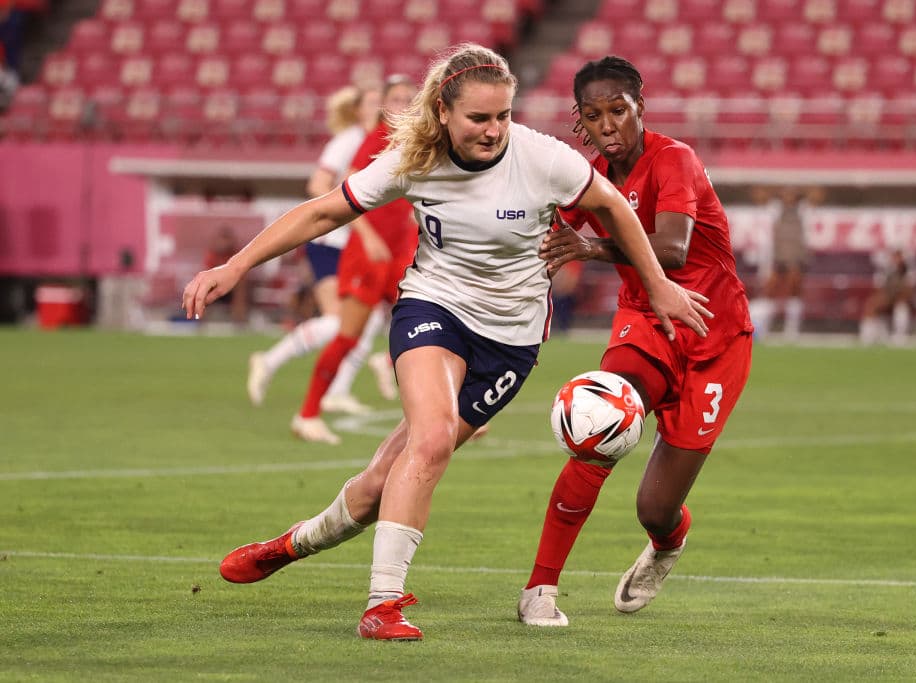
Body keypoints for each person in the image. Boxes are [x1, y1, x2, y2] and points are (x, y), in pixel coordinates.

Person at [181, 43, 712, 642]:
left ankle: (291, 543)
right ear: (443, 112)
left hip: (511, 343)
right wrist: (238, 264)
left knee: (379, 487)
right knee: (431, 442)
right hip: (434, 308)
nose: (494, 131)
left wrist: (658, 284)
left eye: (503, 116)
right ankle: (384, 605)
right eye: (478, 118)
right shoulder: (413, 160)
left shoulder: (543, 159)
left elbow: (612, 204)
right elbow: (323, 214)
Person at [517, 56, 753, 627]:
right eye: (593, 115)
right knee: (598, 423)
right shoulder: (587, 177)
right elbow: (544, 227)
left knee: (655, 507)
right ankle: (539, 589)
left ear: (639, 106)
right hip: (646, 323)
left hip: (714, 336)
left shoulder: (674, 160)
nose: (608, 125)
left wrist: (589, 249)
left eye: (618, 110)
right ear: (580, 121)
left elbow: (670, 251)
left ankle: (667, 542)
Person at [247, 84, 396, 415]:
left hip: (356, 245)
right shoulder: (349, 141)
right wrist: (347, 213)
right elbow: (317, 184)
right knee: (341, 321)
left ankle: (337, 389)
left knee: (367, 320)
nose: (379, 108)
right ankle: (270, 361)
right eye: (372, 103)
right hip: (332, 242)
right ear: (357, 111)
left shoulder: (385, 141)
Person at [289, 74, 418, 444]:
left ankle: (443, 402)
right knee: (348, 336)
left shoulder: (414, 143)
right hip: (369, 252)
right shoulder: (375, 139)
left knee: (429, 318)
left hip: (399, 249)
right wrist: (368, 235)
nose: (403, 104)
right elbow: (347, 188)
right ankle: (308, 413)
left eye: (410, 98)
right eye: (395, 98)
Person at [747, 185, 820, 341]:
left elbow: (817, 194)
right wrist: (775, 192)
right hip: (779, 256)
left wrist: (803, 192)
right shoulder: (776, 209)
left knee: (794, 290)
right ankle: (763, 327)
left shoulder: (803, 210)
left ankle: (791, 329)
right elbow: (759, 195)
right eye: (786, 194)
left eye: (792, 194)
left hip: (796, 256)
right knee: (770, 291)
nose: (788, 197)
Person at [859, 246, 916, 346]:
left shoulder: (909, 269)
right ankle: (869, 336)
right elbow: (880, 287)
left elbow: (909, 289)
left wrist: (896, 295)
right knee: (871, 305)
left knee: (901, 304)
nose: (896, 258)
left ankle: (900, 336)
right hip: (888, 297)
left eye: (898, 255)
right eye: (894, 255)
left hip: (904, 300)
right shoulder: (887, 269)